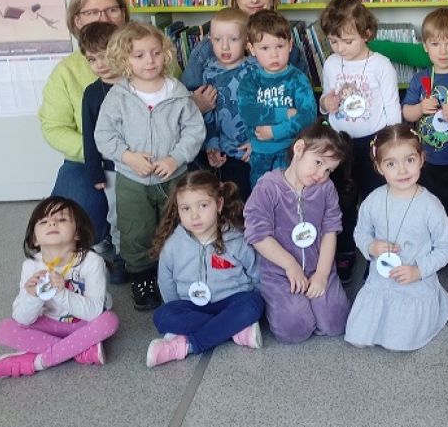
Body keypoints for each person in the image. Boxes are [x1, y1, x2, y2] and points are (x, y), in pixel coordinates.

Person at [94, 22, 205, 311]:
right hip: (133, 179)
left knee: (178, 225)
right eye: (139, 55)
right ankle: (142, 278)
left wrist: (175, 158)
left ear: (165, 54)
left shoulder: (177, 91)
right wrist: (128, 157)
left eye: (156, 53)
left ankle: (181, 272)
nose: (149, 61)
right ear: (124, 59)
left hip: (174, 176)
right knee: (136, 229)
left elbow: (194, 130)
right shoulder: (118, 96)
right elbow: (104, 135)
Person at [346, 125, 448, 351]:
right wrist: (371, 246)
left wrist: (418, 271)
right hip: (380, 280)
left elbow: (446, 247)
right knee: (357, 337)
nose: (402, 170)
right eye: (391, 164)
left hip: (415, 282)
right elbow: (360, 232)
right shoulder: (373, 200)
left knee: (399, 343)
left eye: (410, 160)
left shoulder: (430, 206)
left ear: (422, 159)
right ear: (379, 167)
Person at [39, 0, 129, 253]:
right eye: (92, 12)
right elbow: (54, 128)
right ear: (77, 21)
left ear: (123, 14)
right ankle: (97, 248)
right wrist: (98, 152)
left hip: (146, 154)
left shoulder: (147, 53)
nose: (104, 18)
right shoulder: (66, 71)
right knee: (74, 217)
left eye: (112, 10)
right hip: (88, 158)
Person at [243, 124, 353, 344]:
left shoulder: (326, 189)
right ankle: (284, 303)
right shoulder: (267, 187)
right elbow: (258, 235)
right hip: (280, 273)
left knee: (336, 322)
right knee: (294, 328)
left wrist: (322, 274)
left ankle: (314, 300)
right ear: (299, 149)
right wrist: (290, 265)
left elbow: (330, 230)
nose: (321, 174)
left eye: (329, 170)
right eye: (319, 162)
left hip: (317, 266)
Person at [318, 0, 402, 281]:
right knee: (341, 201)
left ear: (366, 33)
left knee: (375, 200)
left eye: (347, 40)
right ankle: (344, 250)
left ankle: (376, 253)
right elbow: (326, 101)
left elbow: (392, 108)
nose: (340, 48)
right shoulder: (331, 64)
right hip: (340, 144)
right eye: (333, 41)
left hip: (374, 143)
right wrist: (325, 104)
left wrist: (390, 146)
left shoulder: (381, 65)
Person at [145, 171, 265, 367]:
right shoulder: (173, 245)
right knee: (162, 316)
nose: (194, 215)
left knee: (253, 305)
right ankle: (233, 329)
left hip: (232, 301)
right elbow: (166, 282)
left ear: (219, 204)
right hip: (192, 306)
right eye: (186, 208)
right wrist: (177, 308)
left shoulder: (236, 239)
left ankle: (189, 345)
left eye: (203, 205)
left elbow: (256, 273)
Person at [0, 197, 119, 378]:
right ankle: (80, 349)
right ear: (35, 239)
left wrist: (61, 293)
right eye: (44, 221)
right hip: (48, 324)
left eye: (62, 219)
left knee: (109, 321)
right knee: (4, 329)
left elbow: (94, 312)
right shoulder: (31, 265)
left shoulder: (92, 262)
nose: (52, 223)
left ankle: (38, 361)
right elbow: (22, 318)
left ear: (77, 233)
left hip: (83, 324)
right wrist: (32, 295)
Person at [400, 8, 448, 283]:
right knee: (431, 206)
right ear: (425, 46)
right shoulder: (420, 78)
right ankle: (435, 247)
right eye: (435, 44)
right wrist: (419, 108)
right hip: (429, 159)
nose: (442, 51)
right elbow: (406, 112)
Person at [182, 0, 311, 114]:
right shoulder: (208, 47)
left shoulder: (285, 45)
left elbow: (304, 101)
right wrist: (195, 106)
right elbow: (182, 103)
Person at [238, 10, 317, 187]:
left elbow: (308, 117)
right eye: (265, 48)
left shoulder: (297, 79)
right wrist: (285, 113)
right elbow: (248, 113)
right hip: (260, 155)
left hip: (293, 153)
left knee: (291, 194)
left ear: (290, 45)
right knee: (263, 195)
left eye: (279, 46)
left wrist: (275, 132)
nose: (273, 55)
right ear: (251, 49)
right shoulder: (250, 81)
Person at [78, 20, 126, 283]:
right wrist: (94, 171)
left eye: (105, 55)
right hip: (111, 168)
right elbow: (90, 135)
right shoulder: (92, 94)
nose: (100, 64)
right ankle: (121, 256)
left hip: (145, 164)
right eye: (92, 59)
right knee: (117, 214)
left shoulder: (136, 84)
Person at [200, 7, 254, 199]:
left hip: (255, 150)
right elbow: (209, 113)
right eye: (217, 39)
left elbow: (269, 109)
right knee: (231, 202)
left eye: (233, 39)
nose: (224, 47)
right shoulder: (209, 71)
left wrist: (259, 142)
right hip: (226, 154)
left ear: (247, 41)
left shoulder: (256, 69)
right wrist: (212, 144)